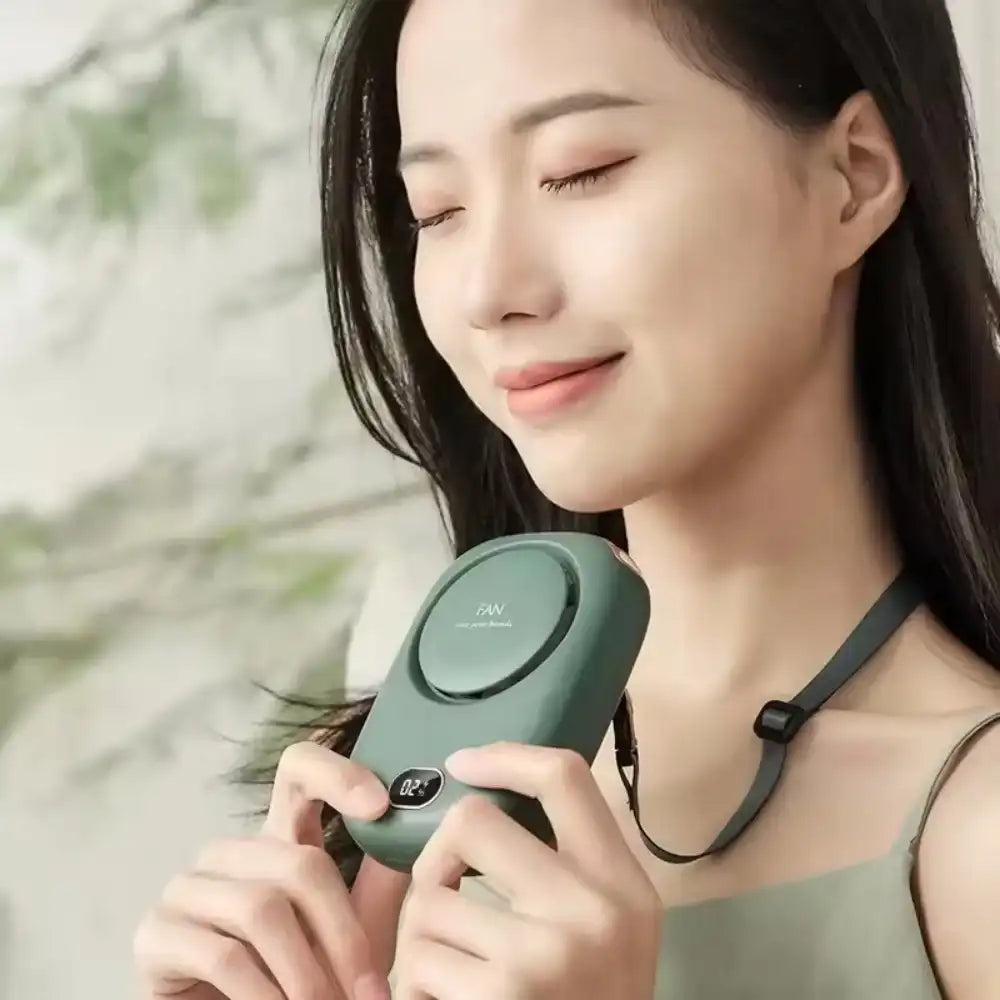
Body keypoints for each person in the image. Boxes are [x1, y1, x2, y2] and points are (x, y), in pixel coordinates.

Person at [132, 0, 1000, 997]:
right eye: (438, 212)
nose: (489, 289)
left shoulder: (973, 834)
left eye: (581, 170)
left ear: (852, 176)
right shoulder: (379, 818)